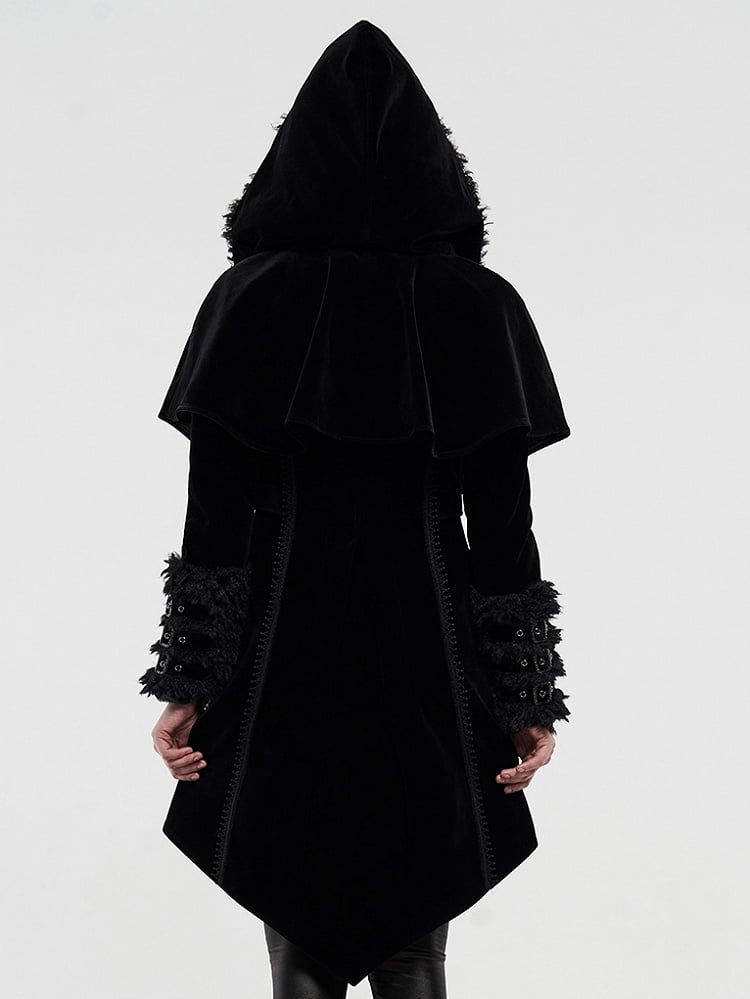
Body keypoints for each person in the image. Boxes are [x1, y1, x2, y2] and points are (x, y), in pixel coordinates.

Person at [139, 19, 572, 998]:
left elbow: (215, 521)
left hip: (283, 652)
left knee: (299, 934)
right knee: (414, 943)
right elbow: (504, 531)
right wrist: (525, 700)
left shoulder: (248, 300)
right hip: (432, 654)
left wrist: (190, 685)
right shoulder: (481, 308)